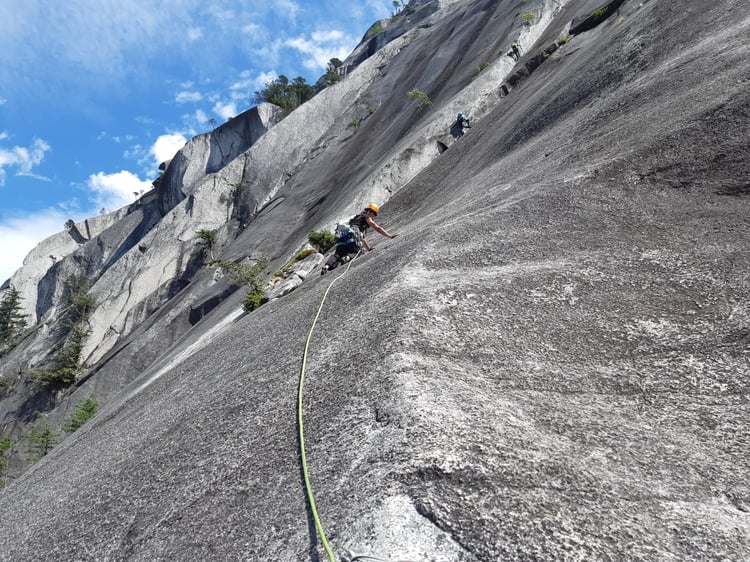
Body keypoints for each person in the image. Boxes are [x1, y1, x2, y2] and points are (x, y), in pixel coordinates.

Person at [321, 203, 398, 273]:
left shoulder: (356, 218)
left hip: (343, 236)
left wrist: (369, 248)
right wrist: (390, 236)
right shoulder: (367, 218)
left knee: (338, 255)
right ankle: (347, 258)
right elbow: (377, 228)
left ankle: (326, 266)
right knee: (358, 252)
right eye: (373, 213)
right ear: (372, 213)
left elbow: (362, 236)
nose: (372, 215)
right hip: (352, 237)